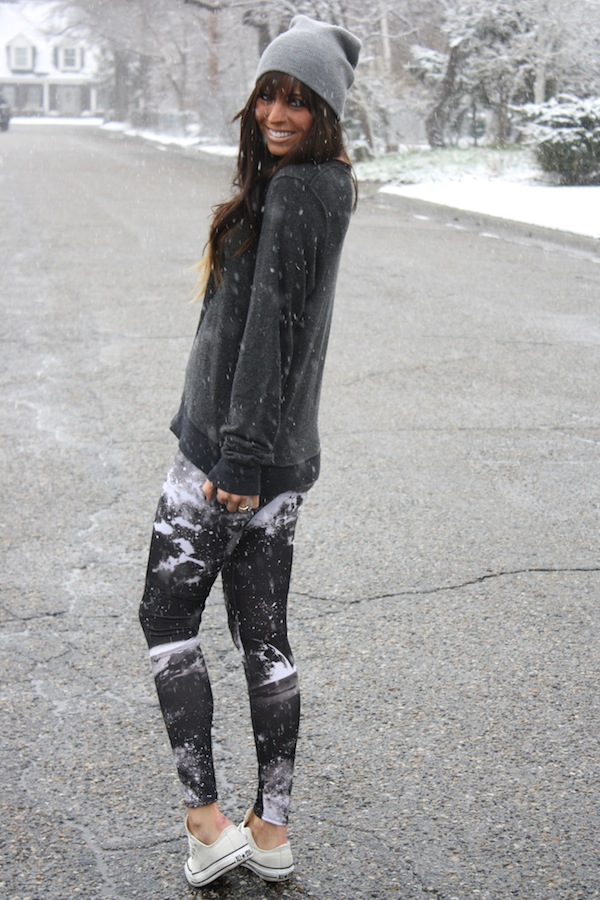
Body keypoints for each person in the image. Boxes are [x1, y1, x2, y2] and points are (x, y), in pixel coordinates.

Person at [139, 14, 361, 889]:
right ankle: (270, 832)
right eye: (269, 94)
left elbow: (270, 331)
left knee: (165, 619)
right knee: (263, 635)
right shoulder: (314, 185)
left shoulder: (300, 191)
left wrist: (235, 460)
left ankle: (207, 825)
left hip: (232, 457)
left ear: (326, 114)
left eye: (298, 101)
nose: (276, 113)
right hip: (275, 456)